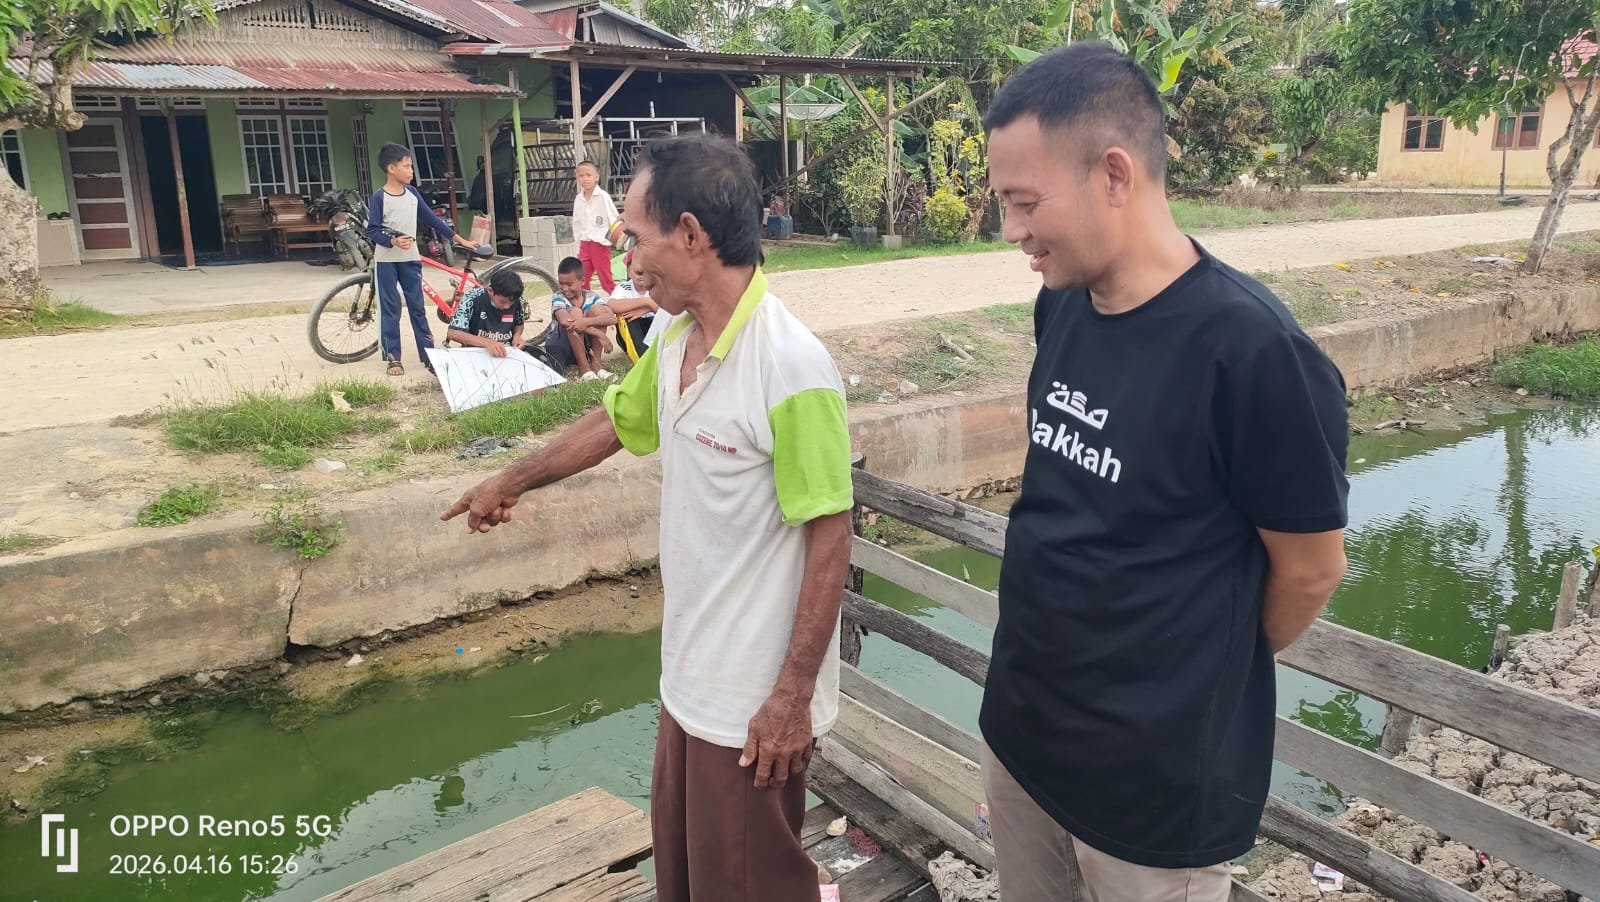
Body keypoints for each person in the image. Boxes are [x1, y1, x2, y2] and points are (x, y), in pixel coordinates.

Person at [978, 43, 1351, 902]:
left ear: (1115, 174)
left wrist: (1179, 671)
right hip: (1023, 739)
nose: (1012, 232)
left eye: (1024, 203)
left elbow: (1310, 568)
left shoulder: (1255, 355)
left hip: (1151, 794)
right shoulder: (1062, 304)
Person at [442, 134, 853, 902]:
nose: (625, 258)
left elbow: (831, 537)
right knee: (689, 874)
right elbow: (615, 423)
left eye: (635, 237)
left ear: (692, 235)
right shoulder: (672, 335)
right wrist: (513, 478)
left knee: (753, 884)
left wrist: (792, 698)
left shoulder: (791, 368)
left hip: (753, 699)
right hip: (690, 673)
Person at [367, 142, 478, 377]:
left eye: (411, 167)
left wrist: (460, 239)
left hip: (411, 260)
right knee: (389, 309)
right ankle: (393, 358)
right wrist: (392, 241)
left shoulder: (413, 195)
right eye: (406, 166)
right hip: (386, 262)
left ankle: (428, 355)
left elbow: (433, 220)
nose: (411, 171)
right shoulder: (379, 197)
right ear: (391, 169)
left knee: (418, 308)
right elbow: (373, 231)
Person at [543, 256, 616, 381]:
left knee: (597, 310)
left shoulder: (591, 296)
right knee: (575, 312)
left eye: (569, 284)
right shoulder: (558, 297)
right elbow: (566, 322)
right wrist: (598, 333)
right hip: (562, 345)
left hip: (584, 343)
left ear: (582, 281)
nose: (564, 288)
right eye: (561, 283)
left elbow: (611, 318)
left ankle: (596, 366)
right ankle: (584, 369)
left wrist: (586, 321)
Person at [445, 269, 525, 358]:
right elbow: (453, 333)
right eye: (502, 302)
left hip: (505, 353)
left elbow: (519, 323)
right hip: (475, 352)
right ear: (490, 291)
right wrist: (487, 342)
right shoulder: (471, 298)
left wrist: (517, 335)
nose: (507, 307)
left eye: (511, 302)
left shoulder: (517, 300)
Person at [573, 160, 620, 293]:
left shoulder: (602, 196)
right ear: (577, 178)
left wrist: (617, 239)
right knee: (582, 281)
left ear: (596, 177)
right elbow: (576, 223)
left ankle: (622, 308)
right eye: (581, 176)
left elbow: (614, 218)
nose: (585, 179)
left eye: (589, 175)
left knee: (606, 282)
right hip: (585, 244)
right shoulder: (579, 199)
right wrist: (579, 244)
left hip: (600, 244)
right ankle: (586, 310)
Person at [607, 251, 662, 358]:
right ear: (629, 272)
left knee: (666, 314)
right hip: (631, 333)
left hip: (652, 329)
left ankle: (656, 351)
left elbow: (666, 311)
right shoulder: (624, 288)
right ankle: (642, 355)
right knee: (627, 316)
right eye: (638, 272)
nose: (642, 276)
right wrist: (648, 302)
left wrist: (647, 308)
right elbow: (612, 306)